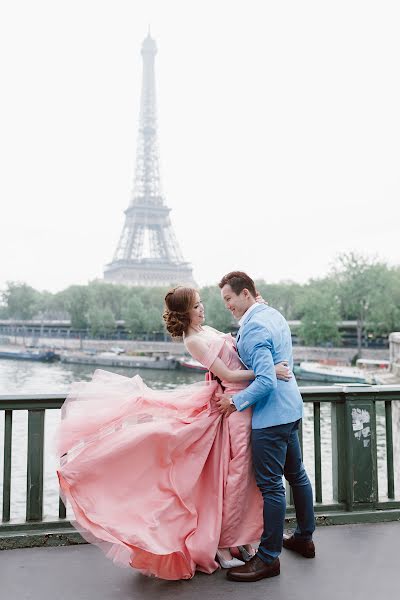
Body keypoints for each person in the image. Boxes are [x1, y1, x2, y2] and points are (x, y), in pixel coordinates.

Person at [56, 285, 291, 580]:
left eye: (201, 303)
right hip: (235, 405)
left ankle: (242, 540)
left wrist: (257, 310)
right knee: (236, 477)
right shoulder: (193, 340)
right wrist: (268, 372)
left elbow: (239, 348)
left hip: (243, 402)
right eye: (196, 306)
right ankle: (224, 544)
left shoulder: (206, 329)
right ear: (184, 312)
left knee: (242, 478)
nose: (202, 308)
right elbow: (230, 375)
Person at [216, 271, 316, 583]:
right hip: (291, 408)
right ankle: (304, 537)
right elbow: (283, 363)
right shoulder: (273, 315)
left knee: (271, 485)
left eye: (229, 299)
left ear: (246, 294)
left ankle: (268, 558)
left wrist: (234, 403)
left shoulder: (255, 326)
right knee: (296, 474)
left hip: (271, 416)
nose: (227, 306)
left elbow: (266, 380)